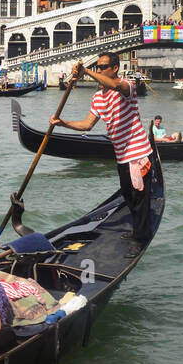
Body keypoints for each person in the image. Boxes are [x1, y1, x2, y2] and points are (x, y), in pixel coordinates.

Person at [49, 53, 155, 248]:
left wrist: (86, 71)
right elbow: (87, 125)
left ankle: (140, 238)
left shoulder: (126, 86)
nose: (99, 70)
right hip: (122, 155)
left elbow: (114, 86)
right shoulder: (98, 97)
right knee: (128, 195)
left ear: (115, 68)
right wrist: (62, 123)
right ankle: (137, 229)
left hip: (138, 153)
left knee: (139, 198)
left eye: (102, 67)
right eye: (97, 67)